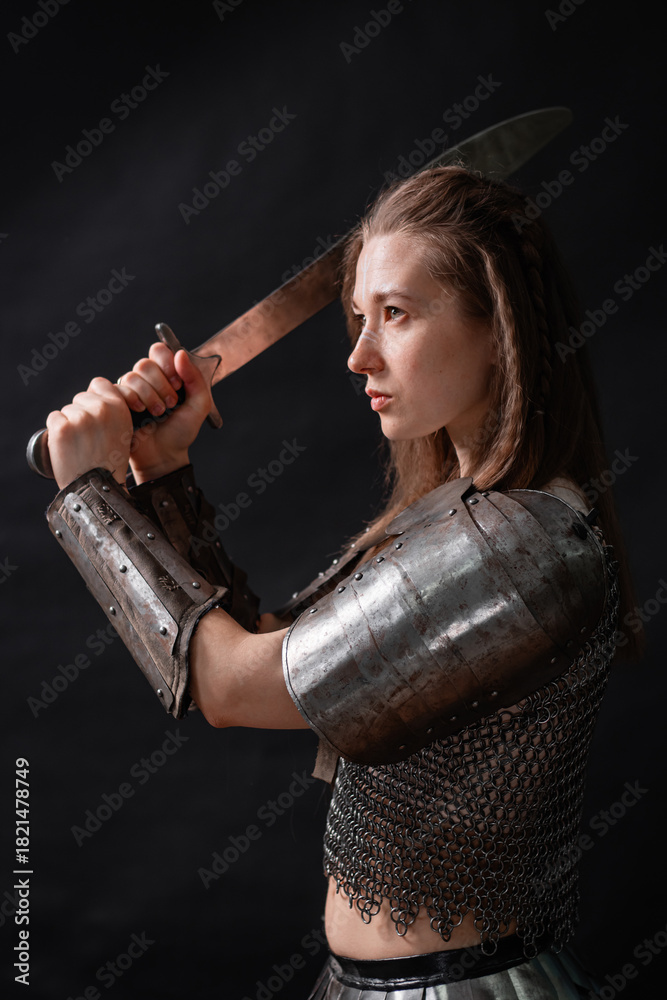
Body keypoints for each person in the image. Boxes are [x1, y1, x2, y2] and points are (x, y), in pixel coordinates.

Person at [44, 165, 641, 998]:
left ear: (499, 323)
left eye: (394, 314)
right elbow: (264, 650)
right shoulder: (452, 516)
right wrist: (166, 470)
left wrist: (89, 501)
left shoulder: (522, 546)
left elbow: (226, 683)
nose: (359, 353)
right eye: (358, 318)